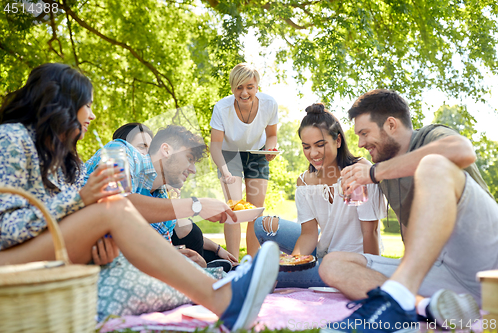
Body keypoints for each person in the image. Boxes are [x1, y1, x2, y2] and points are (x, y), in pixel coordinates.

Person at [0, 63, 280, 331]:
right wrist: (83, 203)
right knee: (114, 209)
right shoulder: (11, 137)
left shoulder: (60, 155)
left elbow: (68, 220)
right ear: (62, 103)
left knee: (153, 280)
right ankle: (224, 300)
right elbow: (7, 229)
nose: (93, 115)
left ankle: (225, 285)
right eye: (88, 106)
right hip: (9, 262)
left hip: (53, 257)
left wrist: (97, 240)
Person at [318, 89, 498, 332]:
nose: (360, 143)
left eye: (364, 133)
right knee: (331, 264)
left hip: (487, 257)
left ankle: (399, 294)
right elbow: (409, 236)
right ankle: (426, 308)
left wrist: (373, 173)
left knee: (433, 164)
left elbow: (463, 151)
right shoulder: (386, 174)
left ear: (391, 124)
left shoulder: (430, 136)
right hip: (444, 275)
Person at [254, 103, 387, 288]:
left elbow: (370, 231)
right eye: (306, 147)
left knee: (267, 275)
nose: (313, 153)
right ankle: (275, 272)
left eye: (320, 144)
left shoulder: (359, 172)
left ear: (338, 141)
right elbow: (309, 234)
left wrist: (370, 276)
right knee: (261, 225)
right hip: (324, 252)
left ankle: (253, 275)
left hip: (351, 263)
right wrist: (294, 263)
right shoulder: (305, 182)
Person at [90, 122, 238, 271]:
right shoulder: (120, 151)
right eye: (189, 158)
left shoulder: (160, 195)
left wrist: (194, 263)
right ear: (166, 150)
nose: (193, 170)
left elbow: (159, 248)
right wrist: (196, 205)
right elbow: (115, 204)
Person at [210, 63, 279, 258]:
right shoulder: (222, 108)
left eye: (249, 86)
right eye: (239, 87)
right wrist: (225, 171)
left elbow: (271, 135)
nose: (244, 92)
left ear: (257, 85)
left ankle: (253, 263)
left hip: (257, 154)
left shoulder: (269, 104)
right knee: (234, 210)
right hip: (229, 155)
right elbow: (215, 145)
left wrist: (270, 149)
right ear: (232, 88)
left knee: (255, 213)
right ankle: (233, 264)